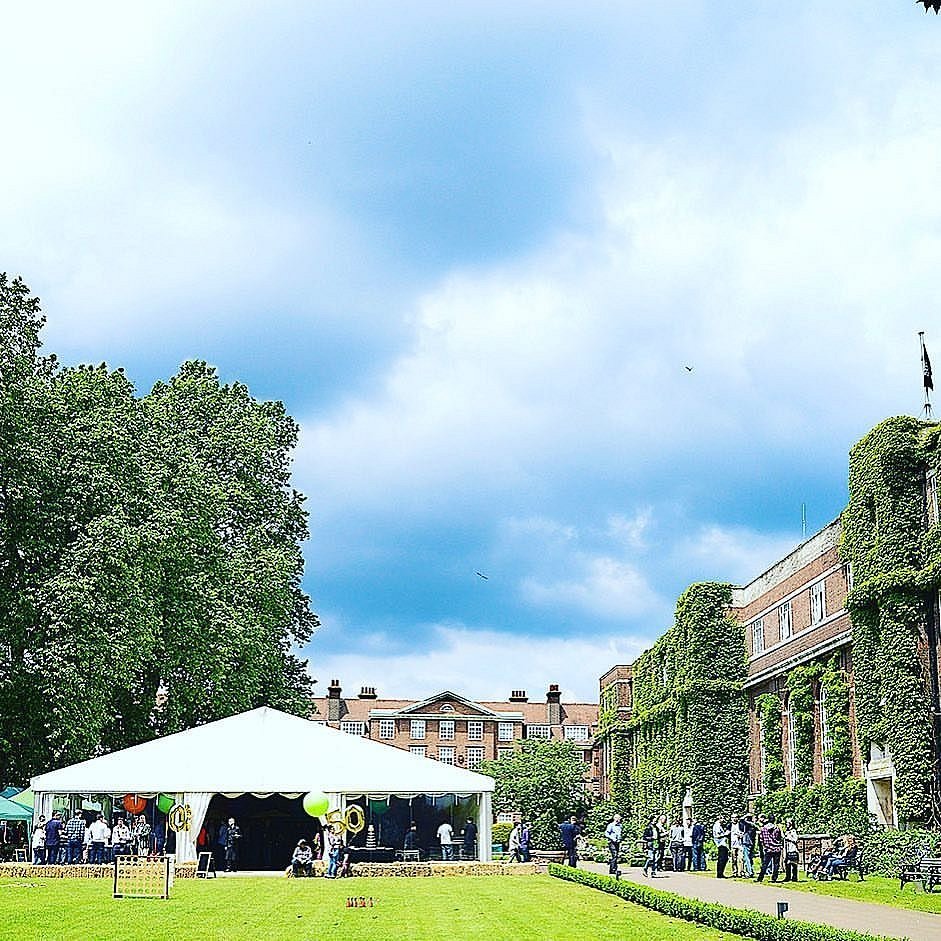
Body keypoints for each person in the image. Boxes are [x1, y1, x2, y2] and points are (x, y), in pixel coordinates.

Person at [756, 815, 782, 883]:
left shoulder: (763, 829)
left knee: (765, 864)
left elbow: (761, 839)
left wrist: (765, 846)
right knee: (776, 864)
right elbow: (779, 838)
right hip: (776, 848)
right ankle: (774, 878)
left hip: (768, 849)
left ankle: (760, 878)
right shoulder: (777, 828)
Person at [783, 818, 800, 882]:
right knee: (787, 864)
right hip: (787, 849)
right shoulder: (787, 831)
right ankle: (788, 877)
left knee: (794, 864)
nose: (787, 824)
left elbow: (795, 839)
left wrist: (788, 838)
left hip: (792, 849)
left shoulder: (793, 831)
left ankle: (794, 877)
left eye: (788, 822)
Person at [740, 814, 756, 878]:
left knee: (746, 858)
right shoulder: (753, 825)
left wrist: (745, 815)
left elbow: (741, 820)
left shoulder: (748, 824)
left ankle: (749, 872)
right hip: (752, 843)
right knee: (750, 858)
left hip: (746, 842)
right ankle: (751, 870)